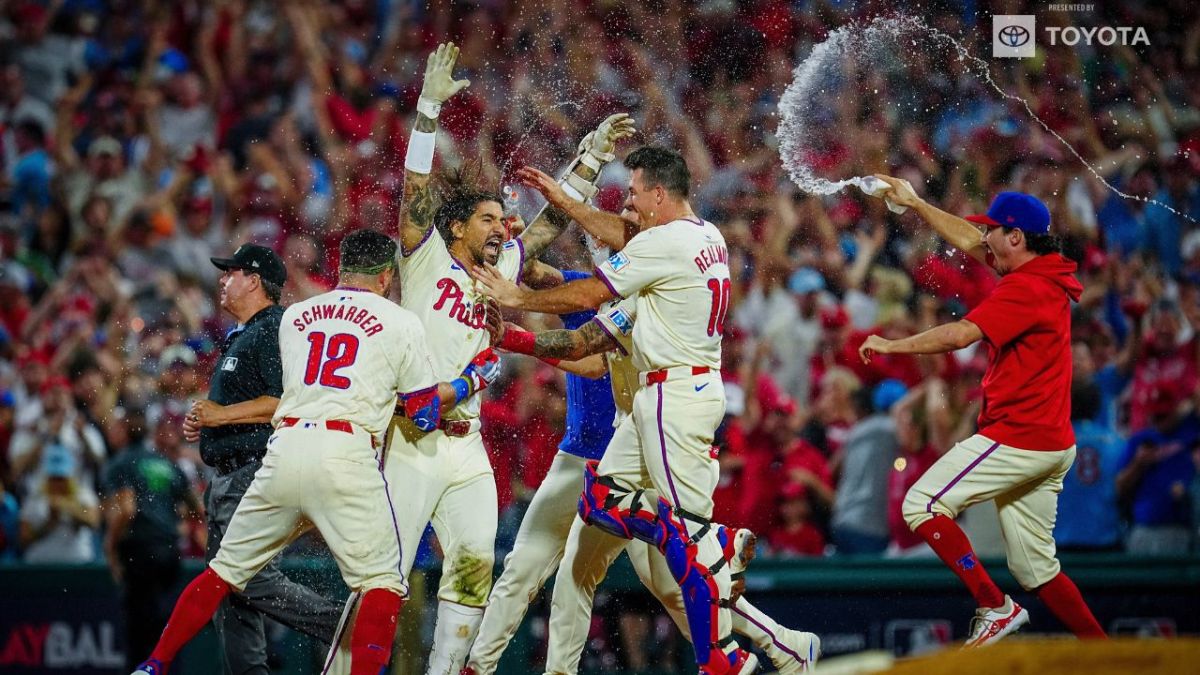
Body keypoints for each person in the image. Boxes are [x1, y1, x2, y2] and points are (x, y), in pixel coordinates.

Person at [367, 42, 631, 675]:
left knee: (473, 569)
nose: (502, 228)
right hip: (410, 435)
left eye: (500, 219)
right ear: (457, 228)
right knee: (383, 577)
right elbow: (416, 187)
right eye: (488, 218)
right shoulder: (426, 256)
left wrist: (590, 160)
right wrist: (428, 109)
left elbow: (545, 227)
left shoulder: (502, 266)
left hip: (466, 444)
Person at [130, 230, 494, 675]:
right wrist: (470, 380)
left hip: (284, 450)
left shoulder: (295, 315)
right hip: (346, 453)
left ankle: (153, 664)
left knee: (223, 572)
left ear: (342, 270)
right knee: (381, 584)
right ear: (385, 277)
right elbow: (421, 414)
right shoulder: (400, 320)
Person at [473, 146, 769, 673]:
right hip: (614, 438)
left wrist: (513, 302)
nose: (623, 213)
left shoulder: (638, 283)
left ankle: (742, 641)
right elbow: (557, 301)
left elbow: (585, 352)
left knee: (669, 571)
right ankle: (776, 641)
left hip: (650, 422)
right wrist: (516, 237)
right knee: (571, 573)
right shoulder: (689, 249)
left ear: (656, 202)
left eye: (632, 203)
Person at [466, 261, 818, 674]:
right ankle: (781, 642)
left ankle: (713, 549)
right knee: (645, 582)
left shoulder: (649, 293)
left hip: (645, 452)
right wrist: (512, 254)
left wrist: (517, 325)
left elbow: (579, 334)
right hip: (610, 447)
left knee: (649, 574)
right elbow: (584, 342)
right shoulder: (611, 287)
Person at [858, 178, 1106, 645]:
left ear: (1016, 237)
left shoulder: (1025, 289)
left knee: (923, 504)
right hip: (1051, 444)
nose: (983, 238)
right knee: (1037, 569)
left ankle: (994, 605)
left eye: (993, 230)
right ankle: (1109, 654)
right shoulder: (1045, 271)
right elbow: (974, 242)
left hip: (1018, 437)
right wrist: (916, 203)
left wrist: (892, 343)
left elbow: (957, 337)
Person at [181, 242, 343, 673]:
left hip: (251, 473)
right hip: (227, 476)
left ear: (253, 280)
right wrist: (209, 423)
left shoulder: (275, 327)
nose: (222, 279)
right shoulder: (245, 333)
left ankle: (340, 624)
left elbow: (285, 401)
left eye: (230, 272)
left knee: (245, 578)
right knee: (229, 598)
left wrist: (222, 414)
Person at [102, 408, 203, 671]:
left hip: (139, 551)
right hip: (170, 553)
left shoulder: (121, 463)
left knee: (138, 630)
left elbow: (126, 509)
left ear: (124, 431)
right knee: (165, 624)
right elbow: (197, 508)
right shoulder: (165, 463)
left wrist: (110, 545)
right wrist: (176, 523)